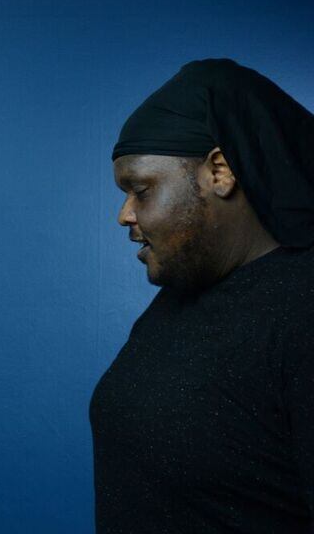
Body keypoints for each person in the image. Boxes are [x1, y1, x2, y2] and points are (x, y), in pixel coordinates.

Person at [90, 59, 314, 533]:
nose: (125, 214)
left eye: (140, 189)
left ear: (219, 171)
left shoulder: (303, 308)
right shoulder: (183, 294)